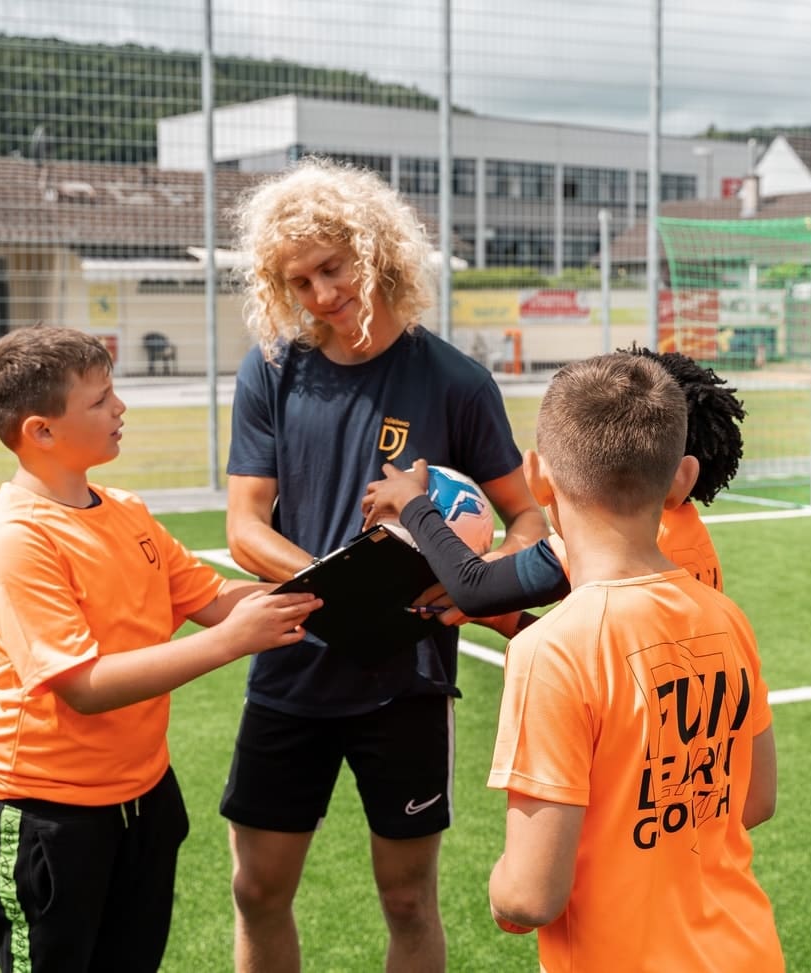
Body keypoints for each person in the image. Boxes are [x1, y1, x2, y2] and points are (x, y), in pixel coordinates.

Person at [222, 157, 547, 973]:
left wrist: (481, 586)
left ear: (375, 251)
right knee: (256, 890)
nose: (320, 293)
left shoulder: (455, 381)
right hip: (292, 667)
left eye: (331, 267)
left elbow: (527, 517)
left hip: (407, 680)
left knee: (407, 899)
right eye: (298, 281)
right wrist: (340, 591)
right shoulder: (272, 369)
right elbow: (244, 527)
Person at [0, 325, 321, 973]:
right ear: (41, 431)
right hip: (47, 811)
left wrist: (338, 585)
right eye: (100, 400)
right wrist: (228, 644)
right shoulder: (15, 538)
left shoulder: (125, 509)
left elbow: (214, 598)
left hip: (145, 797)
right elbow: (84, 685)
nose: (120, 407)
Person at [485, 353, 781, 972]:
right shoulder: (726, 617)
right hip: (746, 953)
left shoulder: (552, 650)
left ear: (538, 479)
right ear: (682, 479)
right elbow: (753, 802)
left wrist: (503, 889)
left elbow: (530, 896)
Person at [362, 346, 745, 634]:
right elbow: (608, 662)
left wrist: (412, 502)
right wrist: (509, 620)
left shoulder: (616, 538)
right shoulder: (692, 539)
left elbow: (474, 588)